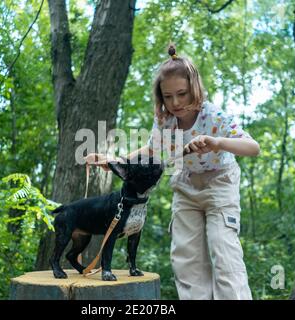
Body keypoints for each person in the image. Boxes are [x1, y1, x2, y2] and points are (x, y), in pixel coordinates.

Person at [84, 45, 260, 300]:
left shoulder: (214, 115)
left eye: (182, 94)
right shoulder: (165, 119)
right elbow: (152, 149)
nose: (175, 102)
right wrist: (113, 161)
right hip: (186, 185)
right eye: (168, 96)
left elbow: (253, 147)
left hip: (220, 184)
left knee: (224, 252)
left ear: (195, 89)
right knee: (186, 258)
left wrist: (217, 142)